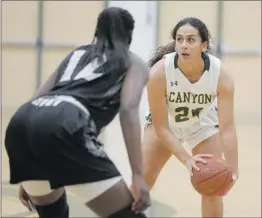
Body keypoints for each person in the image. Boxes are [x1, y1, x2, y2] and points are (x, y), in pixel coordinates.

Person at [5, 7, 151, 218]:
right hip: (65, 120)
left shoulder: (77, 54)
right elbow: (128, 110)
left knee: (53, 213)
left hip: (23, 122)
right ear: (129, 35)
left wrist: (29, 170)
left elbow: (39, 96)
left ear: (97, 32)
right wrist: (137, 175)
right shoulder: (133, 62)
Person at [142, 17, 239, 217]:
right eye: (179, 39)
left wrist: (232, 169)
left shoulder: (221, 75)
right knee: (141, 183)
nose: (184, 45)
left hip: (202, 125)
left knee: (212, 187)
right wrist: (186, 159)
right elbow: (161, 128)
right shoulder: (159, 73)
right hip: (166, 125)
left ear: (204, 46)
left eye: (191, 40)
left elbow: (227, 128)